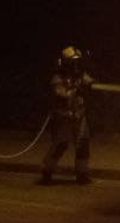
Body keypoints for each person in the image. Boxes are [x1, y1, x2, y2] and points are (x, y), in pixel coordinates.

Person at [40, 46, 94, 185]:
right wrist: (75, 90)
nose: (76, 65)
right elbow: (61, 94)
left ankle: (82, 174)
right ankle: (47, 171)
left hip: (80, 116)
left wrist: (89, 84)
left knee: (83, 144)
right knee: (60, 145)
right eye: (73, 62)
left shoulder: (81, 75)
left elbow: (89, 82)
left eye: (77, 62)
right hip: (64, 118)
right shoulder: (58, 78)